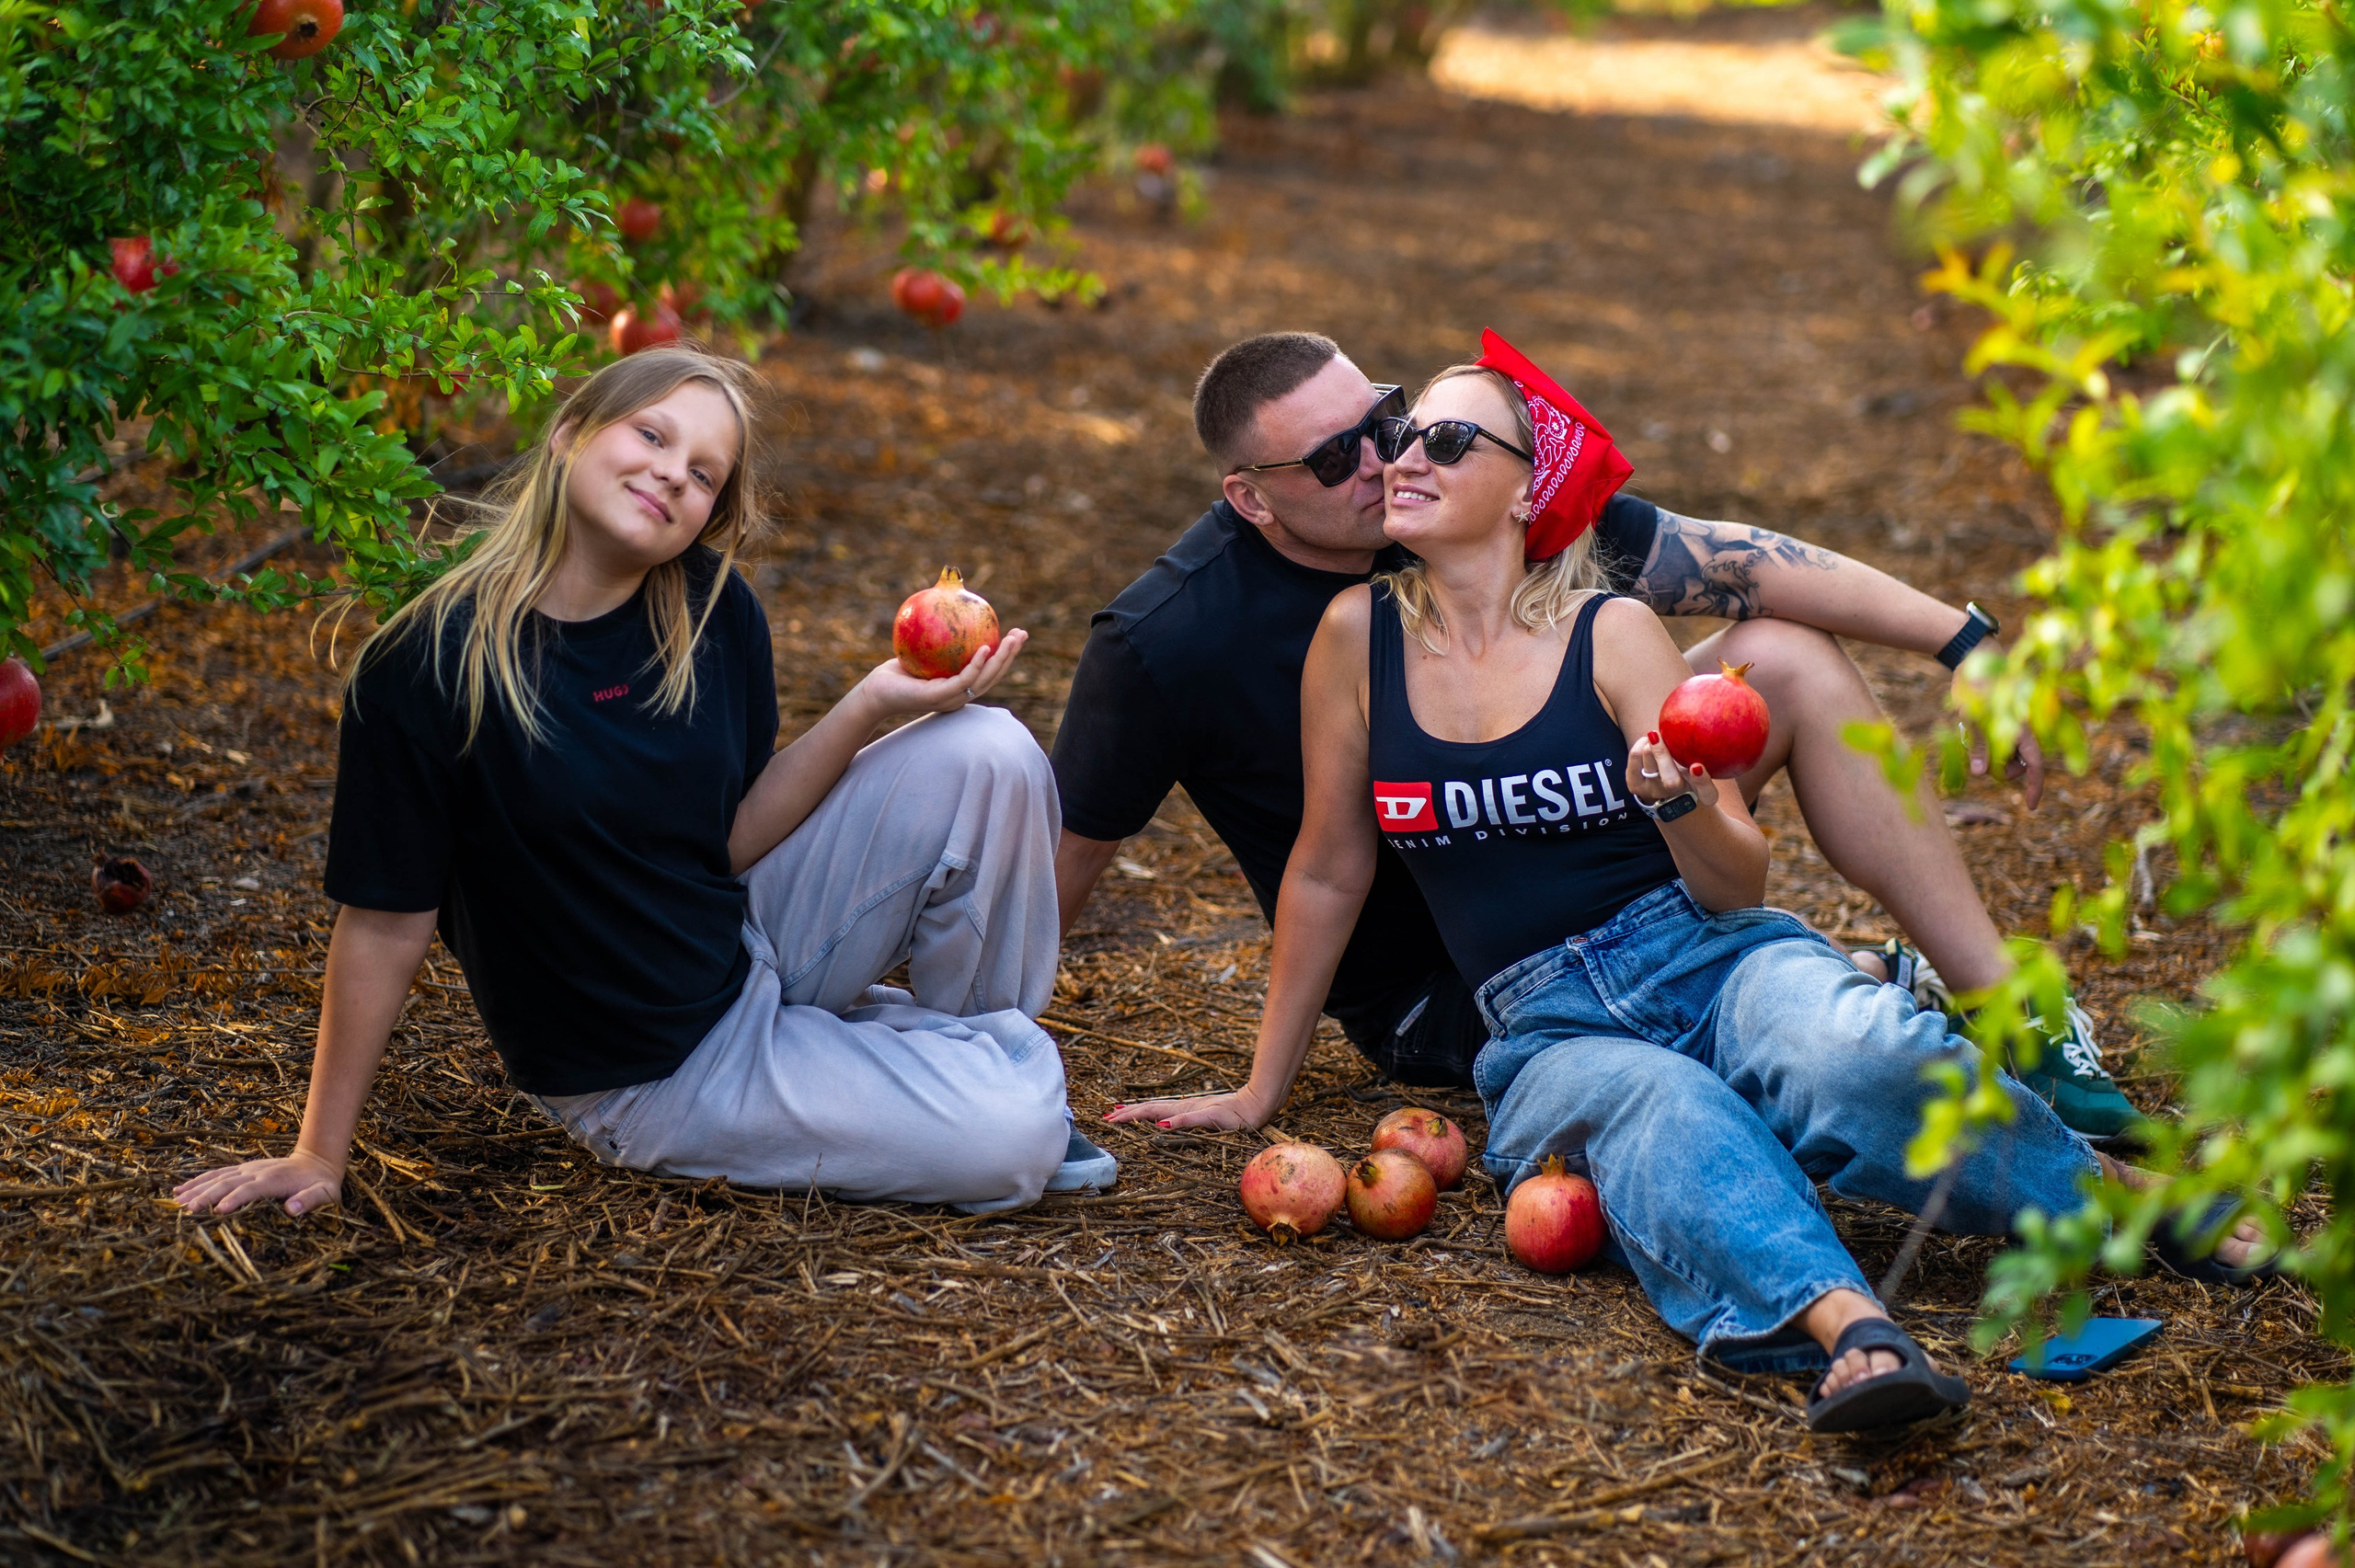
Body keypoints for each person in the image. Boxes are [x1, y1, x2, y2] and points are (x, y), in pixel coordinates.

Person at [1114, 341, 2264, 1431]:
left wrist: (1676, 804)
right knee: (1665, 1117)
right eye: (1408, 434)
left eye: (1447, 442)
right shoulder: (1353, 638)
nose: (1402, 457)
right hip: (1540, 1023)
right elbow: (1327, 865)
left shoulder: (1612, 632)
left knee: (1850, 1058)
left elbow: (1736, 877)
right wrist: (1261, 1089)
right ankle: (1849, 1330)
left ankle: (2111, 1195)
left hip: (1702, 952)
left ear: (1524, 491)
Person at [1053, 331, 2136, 1139]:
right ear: (1251, 499)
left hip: (1613, 874)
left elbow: (1738, 563)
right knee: (1715, 1077)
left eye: (1387, 420)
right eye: (1337, 460)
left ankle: (2006, 1007)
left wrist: (1964, 644)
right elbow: (1066, 871)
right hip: (1461, 979)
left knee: (1786, 655)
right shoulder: (1166, 642)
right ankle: (1871, 991)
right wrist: (991, 1053)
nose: (1385, 463)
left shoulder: (1461, 496)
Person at [175, 347, 1116, 1222]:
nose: (673, 474)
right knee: (1013, 1140)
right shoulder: (431, 663)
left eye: (704, 473)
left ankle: (959, 1058)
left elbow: (732, 838)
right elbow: (384, 924)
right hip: (652, 1067)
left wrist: (874, 702)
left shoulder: (710, 608)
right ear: (568, 434)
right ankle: (969, 1089)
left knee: (991, 748)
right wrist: (318, 1150)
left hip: (737, 938)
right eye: (652, 436)